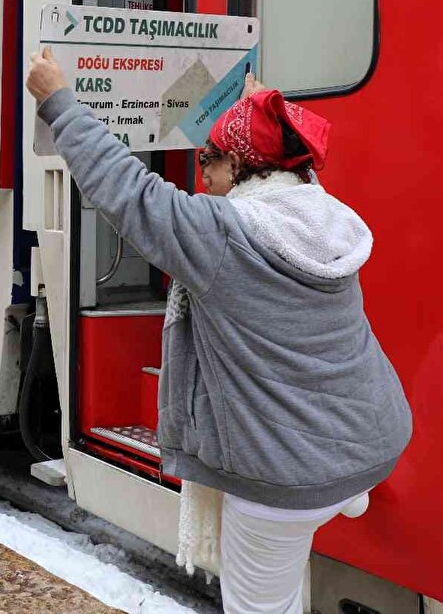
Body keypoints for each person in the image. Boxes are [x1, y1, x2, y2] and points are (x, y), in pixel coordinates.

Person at [26, 47, 412, 614]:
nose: (201, 173)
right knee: (289, 566)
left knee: (259, 605)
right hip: (368, 442)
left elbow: (130, 193)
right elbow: (289, 163)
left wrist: (59, 101)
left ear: (241, 167)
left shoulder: (224, 234)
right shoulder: (319, 213)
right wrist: (255, 112)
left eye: (210, 159)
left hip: (287, 474)